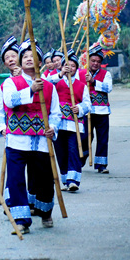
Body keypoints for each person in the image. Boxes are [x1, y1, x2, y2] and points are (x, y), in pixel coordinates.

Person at [0, 39, 61, 234]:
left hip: (42, 142)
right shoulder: (10, 83)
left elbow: (56, 113)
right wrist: (30, 91)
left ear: (40, 62)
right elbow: (9, 102)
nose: (28, 59)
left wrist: (53, 128)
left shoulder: (50, 87)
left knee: (45, 179)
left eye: (32, 56)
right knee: (16, 180)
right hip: (17, 141)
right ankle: (21, 220)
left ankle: (45, 211)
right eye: (24, 56)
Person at [54, 49, 91, 192]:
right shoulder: (55, 82)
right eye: (66, 66)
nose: (70, 68)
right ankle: (65, 180)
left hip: (74, 124)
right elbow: (46, 85)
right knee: (61, 152)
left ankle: (73, 180)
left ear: (77, 68)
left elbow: (88, 104)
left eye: (73, 66)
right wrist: (61, 74)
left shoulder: (82, 86)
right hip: (58, 123)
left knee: (73, 150)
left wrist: (80, 108)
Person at [78, 44, 113, 173]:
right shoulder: (81, 73)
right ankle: (82, 158)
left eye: (98, 61)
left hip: (102, 111)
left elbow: (108, 88)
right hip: (87, 111)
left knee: (103, 138)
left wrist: (93, 82)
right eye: (93, 61)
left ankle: (101, 164)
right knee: (85, 137)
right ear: (88, 61)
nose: (95, 63)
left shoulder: (106, 74)